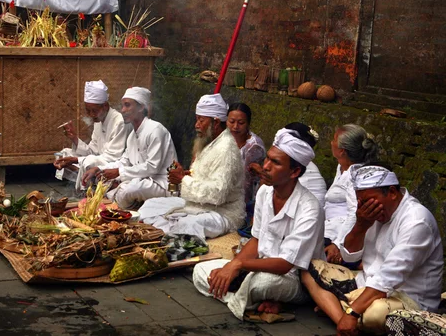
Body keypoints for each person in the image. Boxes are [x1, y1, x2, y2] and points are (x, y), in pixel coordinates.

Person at [193, 125, 325, 319]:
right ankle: (246, 301)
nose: (266, 166)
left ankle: (245, 298)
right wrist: (231, 266)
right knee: (200, 270)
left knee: (261, 283)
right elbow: (256, 240)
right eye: (267, 158)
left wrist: (238, 266)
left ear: (294, 172)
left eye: (275, 163)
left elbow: (285, 265)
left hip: (294, 280)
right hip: (258, 266)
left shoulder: (310, 208)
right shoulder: (264, 192)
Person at [301, 164, 443, 336]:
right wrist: (361, 225)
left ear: (391, 192)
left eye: (369, 201)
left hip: (406, 298)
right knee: (309, 270)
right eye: (360, 202)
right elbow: (350, 256)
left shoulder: (416, 221)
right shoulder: (369, 214)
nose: (364, 208)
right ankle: (346, 321)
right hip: (366, 282)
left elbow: (388, 278)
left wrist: (353, 311)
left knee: (374, 314)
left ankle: (343, 311)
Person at [138, 94, 245, 240]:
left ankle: (165, 236)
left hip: (223, 212)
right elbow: (205, 176)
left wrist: (183, 180)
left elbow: (217, 194)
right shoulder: (210, 142)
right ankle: (163, 232)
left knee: (188, 225)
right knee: (150, 205)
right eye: (197, 120)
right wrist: (187, 174)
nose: (197, 125)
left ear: (216, 122)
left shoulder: (226, 148)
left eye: (201, 120)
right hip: (198, 205)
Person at [82, 87, 176, 209]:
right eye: (122, 106)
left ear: (141, 107)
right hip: (142, 179)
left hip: (162, 183)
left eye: (127, 105)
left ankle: (118, 210)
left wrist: (118, 173)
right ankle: (117, 206)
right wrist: (99, 169)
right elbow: (125, 161)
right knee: (106, 181)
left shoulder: (155, 130)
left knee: (128, 190)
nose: (122, 110)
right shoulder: (132, 135)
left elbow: (153, 167)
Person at [53, 80, 130, 190]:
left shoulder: (119, 122)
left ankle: (88, 183)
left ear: (105, 106)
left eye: (94, 110)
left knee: (89, 162)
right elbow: (92, 151)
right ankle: (89, 178)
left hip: (112, 163)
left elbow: (112, 157)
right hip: (98, 159)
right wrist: (74, 138)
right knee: (64, 153)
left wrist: (76, 160)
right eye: (88, 111)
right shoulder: (99, 120)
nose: (91, 115)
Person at [323, 124, 378, 265]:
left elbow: (354, 213)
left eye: (334, 140)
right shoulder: (341, 168)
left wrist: (337, 244)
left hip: (339, 236)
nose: (331, 142)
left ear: (342, 151)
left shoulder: (355, 177)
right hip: (328, 229)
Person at [226, 102, 265, 237]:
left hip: (245, 198)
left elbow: (247, 182)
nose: (235, 127)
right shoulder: (225, 138)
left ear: (248, 123)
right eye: (231, 122)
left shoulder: (253, 147)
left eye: (241, 123)